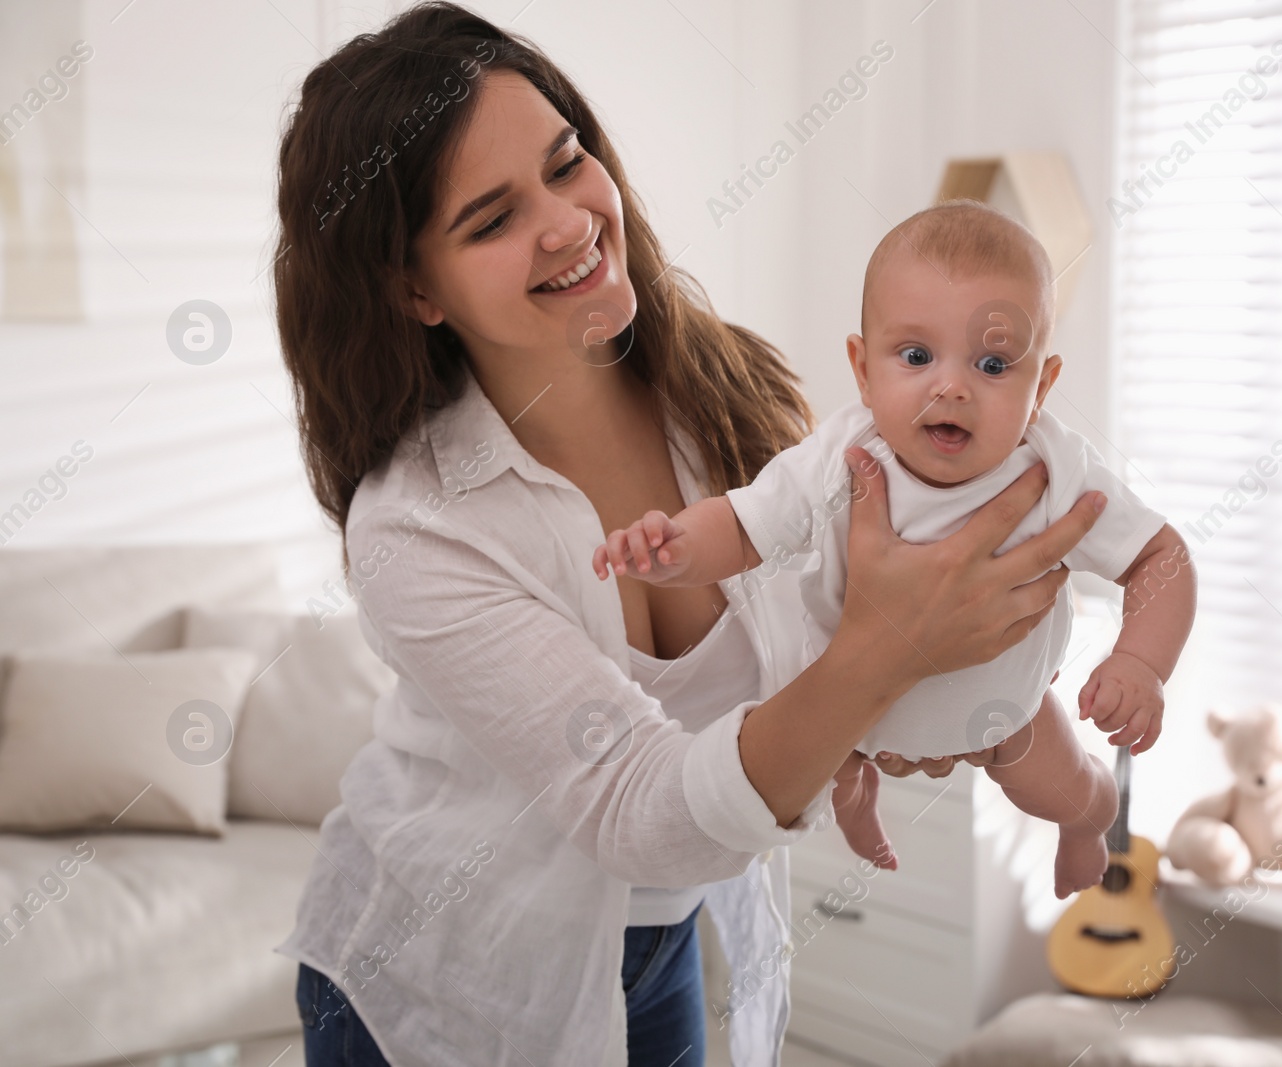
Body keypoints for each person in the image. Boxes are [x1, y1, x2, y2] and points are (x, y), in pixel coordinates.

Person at [268, 4, 1108, 1066]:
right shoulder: (419, 527)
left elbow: (825, 642)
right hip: (446, 969)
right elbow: (640, 805)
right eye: (491, 219)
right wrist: (886, 649)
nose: (570, 222)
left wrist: (959, 694)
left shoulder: (732, 391)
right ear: (414, 288)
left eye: (566, 161)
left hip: (667, 927)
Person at [594, 201, 1198, 899]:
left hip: (1004, 715)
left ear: (1043, 388)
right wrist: (673, 547)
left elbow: (1162, 557)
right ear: (862, 367)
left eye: (995, 363)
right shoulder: (841, 457)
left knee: (1060, 790)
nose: (951, 385)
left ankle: (1090, 822)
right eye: (916, 356)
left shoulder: (1058, 470)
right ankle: (857, 806)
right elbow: (742, 524)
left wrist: (1142, 661)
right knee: (825, 760)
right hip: (846, 699)